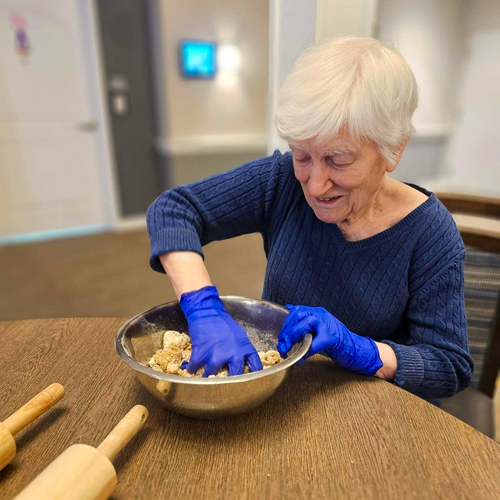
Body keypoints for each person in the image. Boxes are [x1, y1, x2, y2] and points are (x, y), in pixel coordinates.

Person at [147, 37, 473, 400]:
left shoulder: (431, 233)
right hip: (278, 395)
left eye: (338, 160)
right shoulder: (282, 180)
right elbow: (174, 209)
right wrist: (202, 306)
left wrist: (364, 351)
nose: (316, 185)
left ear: (393, 149)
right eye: (302, 156)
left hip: (373, 414)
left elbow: (449, 366)